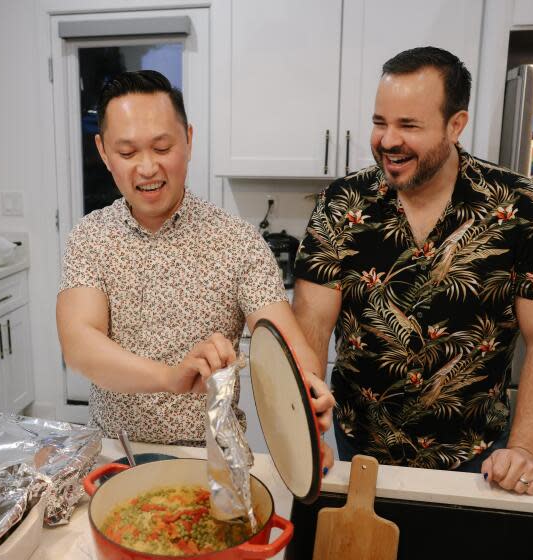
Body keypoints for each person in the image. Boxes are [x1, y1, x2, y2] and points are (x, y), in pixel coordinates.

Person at [292, 47, 533, 496]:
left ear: (455, 124)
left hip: (478, 459)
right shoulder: (341, 203)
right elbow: (310, 322)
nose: (388, 140)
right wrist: (304, 429)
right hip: (357, 449)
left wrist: (525, 448)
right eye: (380, 122)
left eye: (408, 125)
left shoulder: (525, 209)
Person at [56, 70, 334, 465]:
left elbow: (286, 343)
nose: (148, 168)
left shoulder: (237, 241)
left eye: (162, 147)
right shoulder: (91, 238)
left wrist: (307, 391)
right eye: (128, 153)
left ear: (188, 139)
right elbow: (80, 344)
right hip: (118, 453)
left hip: (215, 460)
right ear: (103, 152)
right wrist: (171, 378)